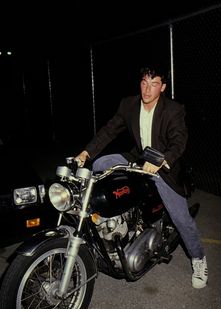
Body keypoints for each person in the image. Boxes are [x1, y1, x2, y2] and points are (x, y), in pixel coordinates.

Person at [75, 64, 208, 289]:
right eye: (144, 83)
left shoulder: (173, 110)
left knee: (181, 218)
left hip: (165, 167)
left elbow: (179, 141)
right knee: (100, 163)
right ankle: (104, 214)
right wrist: (86, 152)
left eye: (154, 84)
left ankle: (198, 259)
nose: (147, 90)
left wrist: (161, 161)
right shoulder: (129, 104)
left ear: (162, 87)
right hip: (138, 158)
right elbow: (109, 130)